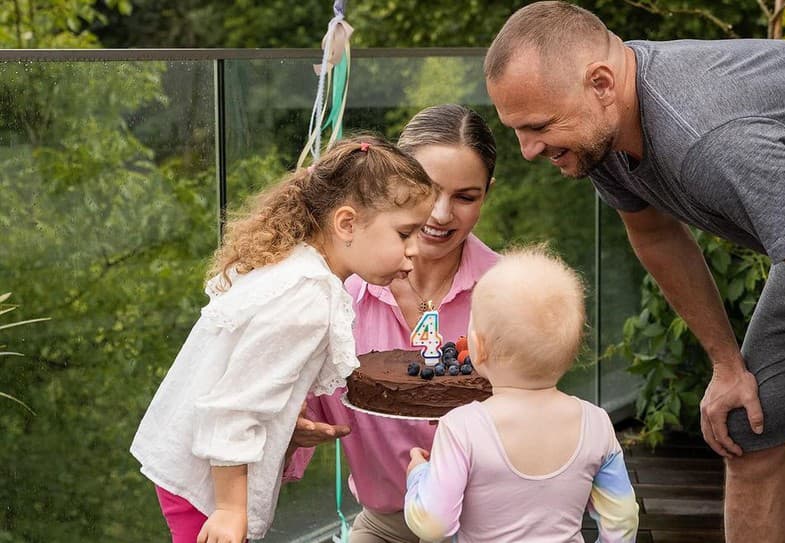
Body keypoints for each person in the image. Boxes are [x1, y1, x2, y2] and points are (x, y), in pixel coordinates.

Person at [484, 2, 785, 542]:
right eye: (516, 129)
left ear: (601, 83)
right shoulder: (604, 135)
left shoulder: (709, 138)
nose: (529, 150)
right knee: (748, 426)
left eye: (538, 126)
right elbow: (654, 234)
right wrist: (727, 367)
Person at [130, 135, 437, 543]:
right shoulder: (307, 298)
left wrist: (286, 423)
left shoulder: (295, 269)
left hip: (198, 467)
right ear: (347, 223)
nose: (416, 249)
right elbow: (231, 408)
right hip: (205, 487)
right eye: (405, 233)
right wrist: (230, 510)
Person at [283, 104, 499, 543]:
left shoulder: (511, 291)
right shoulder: (338, 294)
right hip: (386, 526)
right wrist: (292, 427)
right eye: (429, 190)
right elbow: (298, 409)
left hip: (494, 526)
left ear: (487, 194)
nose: (440, 214)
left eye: (465, 196)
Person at [403, 246, 639, 542]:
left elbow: (432, 524)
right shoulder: (597, 423)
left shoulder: (462, 427)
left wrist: (418, 476)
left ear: (479, 346)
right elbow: (624, 519)